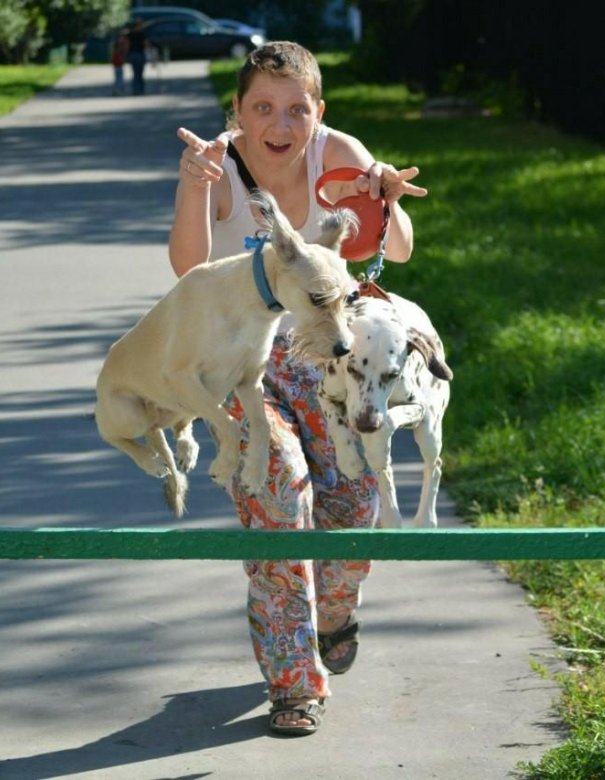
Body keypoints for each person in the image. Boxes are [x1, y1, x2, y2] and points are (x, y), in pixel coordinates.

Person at [169, 41, 427, 736]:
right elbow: (189, 268)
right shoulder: (214, 165)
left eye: (296, 110)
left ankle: (336, 609)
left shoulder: (336, 151)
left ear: (318, 112)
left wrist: (386, 197)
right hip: (240, 364)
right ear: (238, 112)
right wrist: (195, 187)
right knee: (276, 486)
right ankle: (294, 686)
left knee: (352, 506)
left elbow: (394, 247)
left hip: (330, 364)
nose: (279, 125)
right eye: (262, 108)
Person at [126, 19, 147, 96]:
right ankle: (140, 90)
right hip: (139, 54)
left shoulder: (130, 34)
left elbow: (128, 45)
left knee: (135, 73)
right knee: (140, 73)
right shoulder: (142, 34)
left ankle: (136, 90)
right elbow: (145, 44)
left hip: (133, 54)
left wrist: (127, 54)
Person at [110, 28, 129, 96]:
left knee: (118, 76)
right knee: (119, 76)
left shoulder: (118, 41)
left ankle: (117, 90)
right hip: (118, 61)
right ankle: (118, 90)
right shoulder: (122, 41)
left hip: (116, 61)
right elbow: (121, 50)